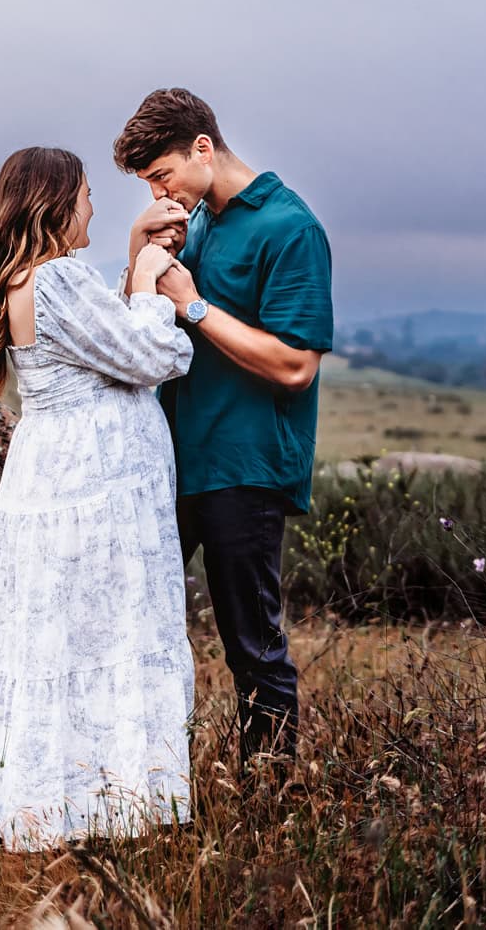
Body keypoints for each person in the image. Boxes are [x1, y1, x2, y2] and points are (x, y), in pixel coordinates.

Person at [0, 146, 197, 849]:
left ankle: (58, 792)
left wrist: (136, 256)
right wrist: (147, 283)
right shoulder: (57, 280)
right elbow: (152, 356)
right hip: (94, 487)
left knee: (56, 638)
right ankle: (100, 801)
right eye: (84, 195)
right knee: (101, 634)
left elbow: (98, 344)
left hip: (56, 478)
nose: (94, 208)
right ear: (55, 203)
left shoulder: (32, 281)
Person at [113, 88, 333, 769]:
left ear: (202, 148)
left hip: (247, 464)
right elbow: (135, 331)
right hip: (173, 458)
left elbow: (296, 365)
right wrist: (140, 250)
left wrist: (194, 304)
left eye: (162, 176)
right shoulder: (196, 220)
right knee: (133, 622)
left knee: (250, 643)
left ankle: (267, 796)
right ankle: (130, 783)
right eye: (149, 183)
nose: (159, 192)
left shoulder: (291, 228)